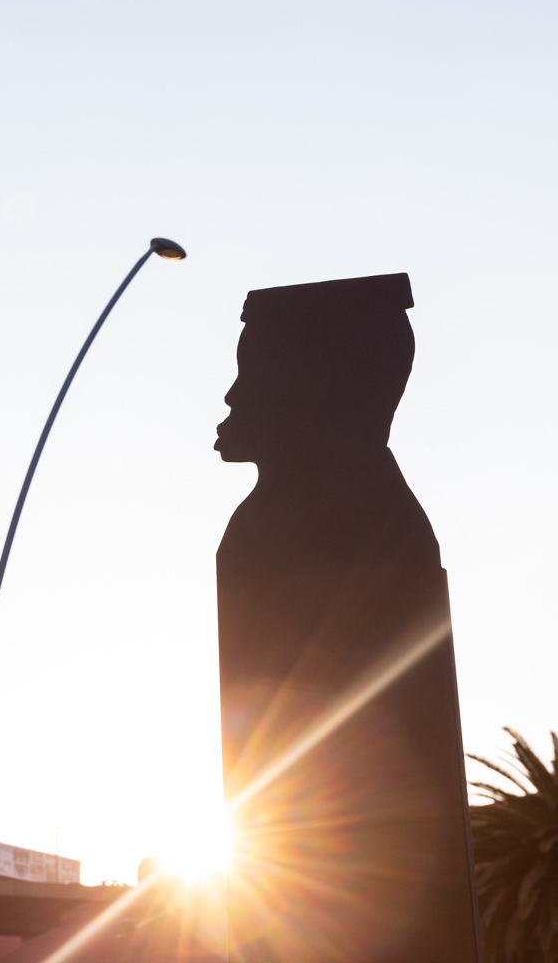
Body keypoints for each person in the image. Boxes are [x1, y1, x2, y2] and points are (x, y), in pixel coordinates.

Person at [215, 274, 480, 962]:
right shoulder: (269, 529)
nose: (230, 396)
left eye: (251, 374)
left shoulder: (346, 528)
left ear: (315, 391)